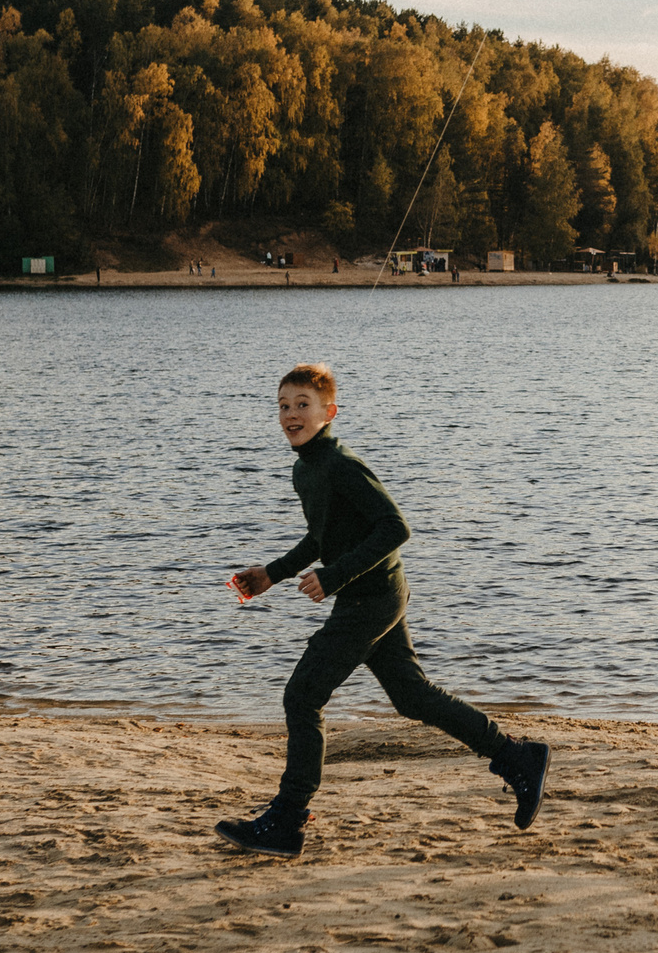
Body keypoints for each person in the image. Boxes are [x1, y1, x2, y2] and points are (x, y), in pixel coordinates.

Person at [214, 363, 550, 857]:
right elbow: (323, 535)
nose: (291, 414)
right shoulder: (305, 468)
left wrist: (333, 576)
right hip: (374, 595)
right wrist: (273, 573)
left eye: (303, 405)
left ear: (329, 412)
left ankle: (288, 819)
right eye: (283, 406)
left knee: (302, 697)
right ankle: (516, 757)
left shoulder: (341, 464)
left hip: (372, 598)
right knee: (411, 697)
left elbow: (396, 527)